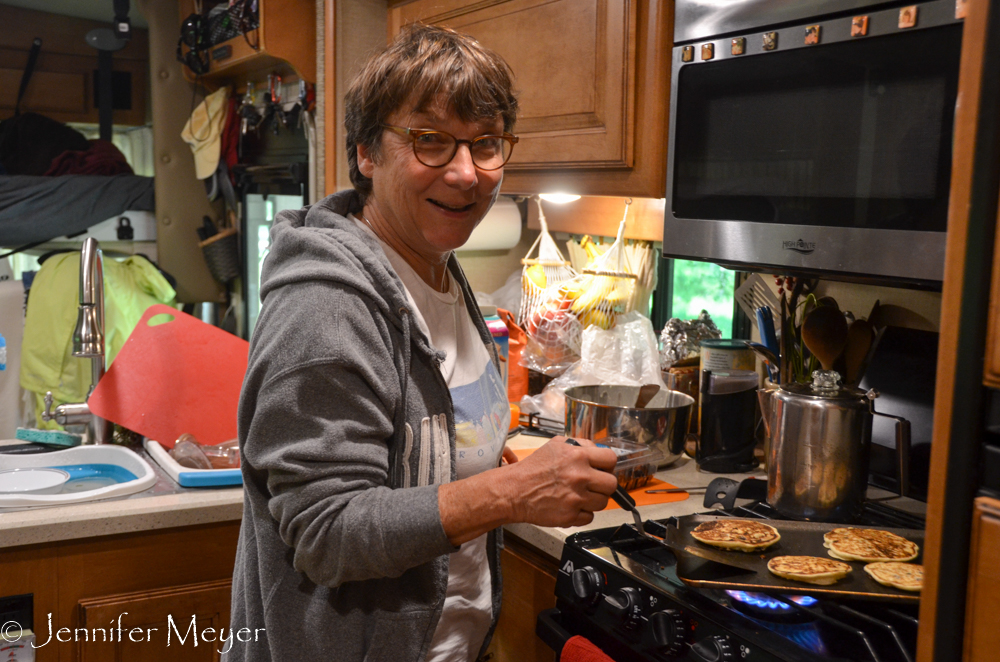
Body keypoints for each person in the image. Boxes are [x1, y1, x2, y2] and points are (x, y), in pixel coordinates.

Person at [226, 23, 618, 662]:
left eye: (486, 144)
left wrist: (494, 467)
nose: (466, 174)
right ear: (366, 154)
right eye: (429, 141)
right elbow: (324, 533)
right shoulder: (326, 306)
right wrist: (510, 494)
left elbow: (423, 451)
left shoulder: (438, 266)